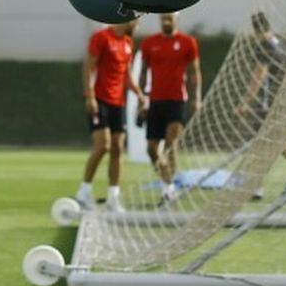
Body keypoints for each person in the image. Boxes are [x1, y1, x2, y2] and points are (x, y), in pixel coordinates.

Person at [76, 20, 145, 211]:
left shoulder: (128, 43)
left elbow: (127, 75)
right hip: (99, 99)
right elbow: (88, 67)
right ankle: (83, 192)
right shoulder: (101, 38)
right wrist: (89, 96)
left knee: (117, 148)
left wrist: (140, 95)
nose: (137, 27)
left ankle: (113, 197)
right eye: (137, 23)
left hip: (118, 104)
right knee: (103, 145)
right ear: (129, 20)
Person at [238, 11, 286, 177]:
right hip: (285, 100)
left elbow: (259, 75)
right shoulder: (280, 45)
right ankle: (256, 186)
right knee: (268, 143)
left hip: (269, 102)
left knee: (272, 142)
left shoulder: (264, 46)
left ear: (255, 30)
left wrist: (246, 102)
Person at [137, 12, 202, 190]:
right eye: (163, 18)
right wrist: (141, 100)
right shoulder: (149, 43)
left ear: (177, 19)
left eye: (170, 18)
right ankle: (168, 181)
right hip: (155, 101)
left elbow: (194, 73)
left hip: (177, 100)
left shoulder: (188, 42)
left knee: (171, 143)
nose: (166, 21)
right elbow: (143, 73)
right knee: (151, 149)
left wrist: (196, 98)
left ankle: (170, 188)